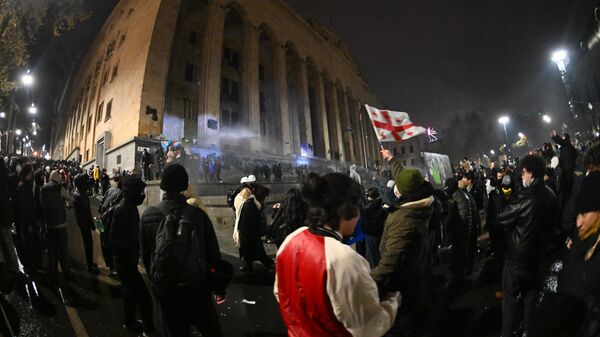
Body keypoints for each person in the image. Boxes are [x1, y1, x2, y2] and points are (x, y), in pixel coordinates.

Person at [274, 172, 400, 336]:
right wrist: (392, 304)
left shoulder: (291, 240)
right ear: (343, 210)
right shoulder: (344, 258)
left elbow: (280, 292)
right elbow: (368, 327)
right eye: (357, 207)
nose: (359, 215)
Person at [140, 164, 225, 337]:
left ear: (162, 185)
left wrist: (158, 284)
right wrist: (218, 288)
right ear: (184, 185)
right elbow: (213, 254)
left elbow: (146, 257)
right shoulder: (197, 215)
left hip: (167, 291)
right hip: (197, 289)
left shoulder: (148, 216)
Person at [496, 155, 558, 337]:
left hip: (518, 257)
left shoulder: (525, 196)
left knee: (509, 298)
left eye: (523, 173)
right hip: (538, 255)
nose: (523, 177)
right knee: (531, 295)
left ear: (530, 173)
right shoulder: (551, 194)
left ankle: (507, 333)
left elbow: (502, 218)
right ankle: (527, 331)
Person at [373, 149, 433, 337]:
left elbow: (391, 261)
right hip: (418, 274)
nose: (395, 190)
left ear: (405, 193)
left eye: (398, 188)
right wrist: (391, 158)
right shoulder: (421, 196)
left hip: (403, 284)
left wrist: (369, 284)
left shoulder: (404, 220)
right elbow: (404, 177)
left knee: (403, 326)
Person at [109, 175, 155, 335]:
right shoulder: (122, 210)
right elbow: (113, 240)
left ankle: (129, 322)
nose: (143, 195)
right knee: (145, 300)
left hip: (128, 261)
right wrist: (132, 247)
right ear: (132, 192)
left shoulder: (130, 207)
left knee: (129, 294)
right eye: (140, 191)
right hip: (124, 263)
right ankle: (149, 331)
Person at [40, 170, 75, 282]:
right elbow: (69, 197)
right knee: (63, 250)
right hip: (60, 224)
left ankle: (53, 271)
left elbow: (41, 205)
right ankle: (67, 273)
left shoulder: (43, 189)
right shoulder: (59, 188)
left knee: (52, 250)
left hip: (49, 224)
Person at [444, 177, 473, 291]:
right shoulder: (457, 196)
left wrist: (455, 233)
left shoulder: (459, 198)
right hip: (459, 234)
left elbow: (463, 218)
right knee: (458, 258)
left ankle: (459, 283)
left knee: (459, 258)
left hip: (460, 235)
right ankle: (458, 280)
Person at [237, 183, 273, 272]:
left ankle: (268, 264)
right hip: (251, 234)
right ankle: (250, 265)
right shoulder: (250, 203)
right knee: (253, 252)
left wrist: (243, 232)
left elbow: (246, 220)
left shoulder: (248, 204)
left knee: (255, 252)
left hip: (249, 234)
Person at [14, 164, 42, 276]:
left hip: (29, 220)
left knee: (32, 243)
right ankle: (32, 267)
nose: (32, 174)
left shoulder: (25, 184)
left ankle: (32, 266)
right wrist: (30, 223)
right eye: (31, 172)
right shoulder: (24, 186)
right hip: (28, 221)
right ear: (27, 173)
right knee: (31, 244)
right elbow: (25, 207)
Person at [72, 173, 100, 274]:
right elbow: (87, 212)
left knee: (88, 243)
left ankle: (90, 263)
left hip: (81, 221)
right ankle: (90, 266)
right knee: (88, 243)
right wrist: (92, 225)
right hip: (84, 222)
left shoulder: (78, 192)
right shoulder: (81, 195)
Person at [98, 174, 123, 278]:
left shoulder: (110, 190)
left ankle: (112, 269)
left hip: (101, 221)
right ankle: (114, 270)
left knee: (105, 244)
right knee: (112, 245)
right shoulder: (122, 195)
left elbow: (101, 205)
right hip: (109, 222)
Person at [551, 130, 578, 207]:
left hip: (566, 169)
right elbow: (575, 156)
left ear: (566, 138)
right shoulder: (570, 146)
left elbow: (560, 141)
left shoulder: (565, 144)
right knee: (570, 185)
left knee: (567, 186)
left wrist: (555, 136)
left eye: (563, 137)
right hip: (570, 168)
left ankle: (569, 202)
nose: (562, 139)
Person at [363, 187, 386, 268]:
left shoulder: (366, 209)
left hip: (370, 234)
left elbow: (364, 222)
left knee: (371, 255)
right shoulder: (382, 206)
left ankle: (374, 269)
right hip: (380, 233)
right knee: (379, 252)